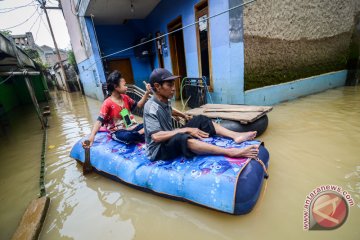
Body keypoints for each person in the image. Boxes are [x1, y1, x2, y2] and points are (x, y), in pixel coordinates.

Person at [143, 68, 260, 161]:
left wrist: (183, 115)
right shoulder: (150, 107)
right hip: (158, 150)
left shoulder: (164, 100)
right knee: (181, 137)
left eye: (174, 84)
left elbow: (169, 109)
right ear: (157, 87)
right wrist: (186, 129)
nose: (174, 89)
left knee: (200, 119)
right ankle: (231, 151)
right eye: (170, 85)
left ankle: (235, 135)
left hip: (168, 139)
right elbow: (156, 137)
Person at [86, 70, 152, 147]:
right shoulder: (107, 103)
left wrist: (147, 93)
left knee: (151, 124)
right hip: (119, 132)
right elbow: (99, 122)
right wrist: (92, 136)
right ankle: (143, 133)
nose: (126, 87)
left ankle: (141, 133)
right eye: (124, 85)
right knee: (128, 136)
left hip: (132, 127)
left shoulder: (126, 98)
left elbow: (139, 105)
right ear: (116, 87)